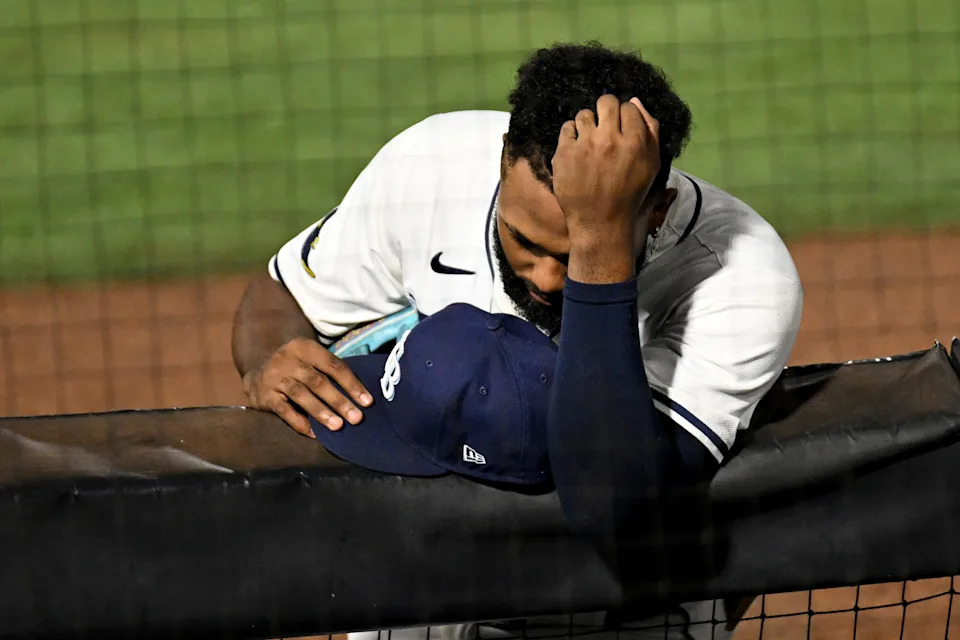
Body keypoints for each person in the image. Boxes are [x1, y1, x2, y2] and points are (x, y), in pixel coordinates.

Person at [232, 42, 803, 639]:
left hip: (622, 609)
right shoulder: (430, 165)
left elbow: (613, 506)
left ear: (657, 213)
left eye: (569, 256)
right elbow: (280, 297)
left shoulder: (742, 276)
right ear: (502, 162)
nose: (550, 279)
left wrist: (599, 242)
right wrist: (267, 358)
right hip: (428, 594)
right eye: (526, 244)